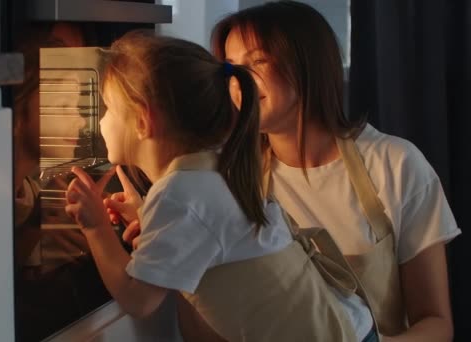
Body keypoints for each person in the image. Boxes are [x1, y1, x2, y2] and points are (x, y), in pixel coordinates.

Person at [64, 30, 379, 341]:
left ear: (143, 121)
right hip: (346, 326)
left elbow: (138, 300)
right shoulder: (211, 172)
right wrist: (147, 216)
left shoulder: (179, 195)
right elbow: (207, 231)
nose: (101, 121)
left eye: (108, 109)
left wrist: (96, 227)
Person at [197, 1, 459, 341]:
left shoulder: (395, 164)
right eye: (233, 68)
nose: (240, 83)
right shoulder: (231, 180)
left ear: (308, 65)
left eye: (258, 61)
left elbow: (437, 324)